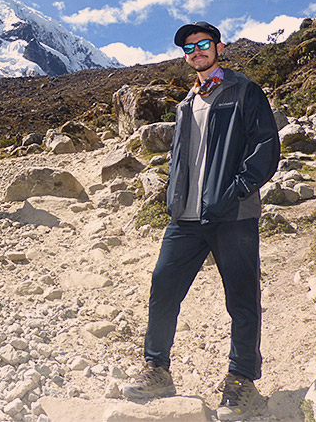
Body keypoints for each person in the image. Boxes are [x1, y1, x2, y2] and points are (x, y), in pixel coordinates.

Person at [124, 22, 280, 421]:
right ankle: (157, 369)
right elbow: (181, 160)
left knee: (241, 299)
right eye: (189, 48)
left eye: (203, 44)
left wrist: (239, 188)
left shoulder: (244, 91)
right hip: (187, 219)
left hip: (232, 215)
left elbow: (266, 145)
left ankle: (241, 380)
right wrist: (173, 199)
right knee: (163, 286)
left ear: (219, 47)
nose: (196, 51)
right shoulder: (186, 103)